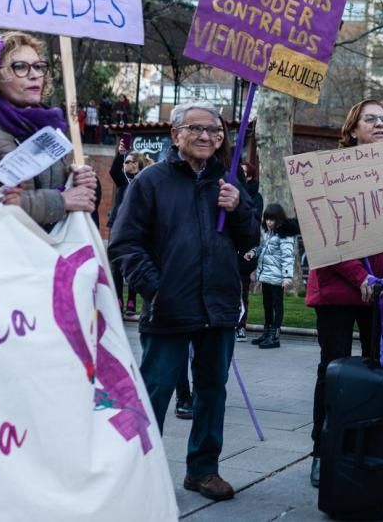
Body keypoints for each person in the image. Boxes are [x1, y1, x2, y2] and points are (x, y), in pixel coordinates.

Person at [109, 101, 259, 502]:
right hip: (169, 307)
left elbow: (250, 240)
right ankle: (139, 470)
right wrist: (155, 289)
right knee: (155, 390)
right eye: (196, 128)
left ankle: (203, 470)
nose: (207, 136)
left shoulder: (227, 183)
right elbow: (125, 243)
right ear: (175, 134)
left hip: (218, 307)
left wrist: (240, 208)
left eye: (215, 130)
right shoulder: (151, 181)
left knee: (212, 389)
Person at [305, 99, 383, 489]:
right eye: (370, 119)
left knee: (379, 372)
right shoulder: (329, 172)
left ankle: (373, 445)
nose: (379, 124)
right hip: (340, 289)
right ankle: (324, 450)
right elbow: (324, 231)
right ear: (352, 128)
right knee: (332, 369)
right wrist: (360, 276)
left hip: (381, 293)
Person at [0, 31, 97, 225]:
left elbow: (53, 189)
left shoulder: (45, 126)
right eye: (20, 67)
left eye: (38, 66)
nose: (35, 75)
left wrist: (76, 179)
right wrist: (62, 200)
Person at [108, 138, 153, 315]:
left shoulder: (144, 180)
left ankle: (132, 301)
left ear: (137, 164)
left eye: (128, 162)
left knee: (134, 261)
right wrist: (120, 154)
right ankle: (118, 299)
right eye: (125, 162)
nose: (125, 165)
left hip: (138, 226)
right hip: (119, 225)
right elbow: (113, 172)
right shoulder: (123, 180)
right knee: (116, 264)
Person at [244, 203, 296, 350]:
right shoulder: (269, 233)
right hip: (266, 276)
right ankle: (267, 332)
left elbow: (288, 257)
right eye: (267, 219)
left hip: (277, 278)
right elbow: (262, 248)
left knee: (276, 306)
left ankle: (274, 336)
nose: (268, 222)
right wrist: (253, 253)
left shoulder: (284, 235)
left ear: (279, 219)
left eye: (272, 219)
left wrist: (287, 278)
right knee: (267, 305)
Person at [238, 161, 264, 342]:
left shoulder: (255, 196)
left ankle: (241, 325)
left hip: (246, 248)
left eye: (244, 172)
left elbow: (252, 222)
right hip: (230, 248)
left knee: (243, 290)